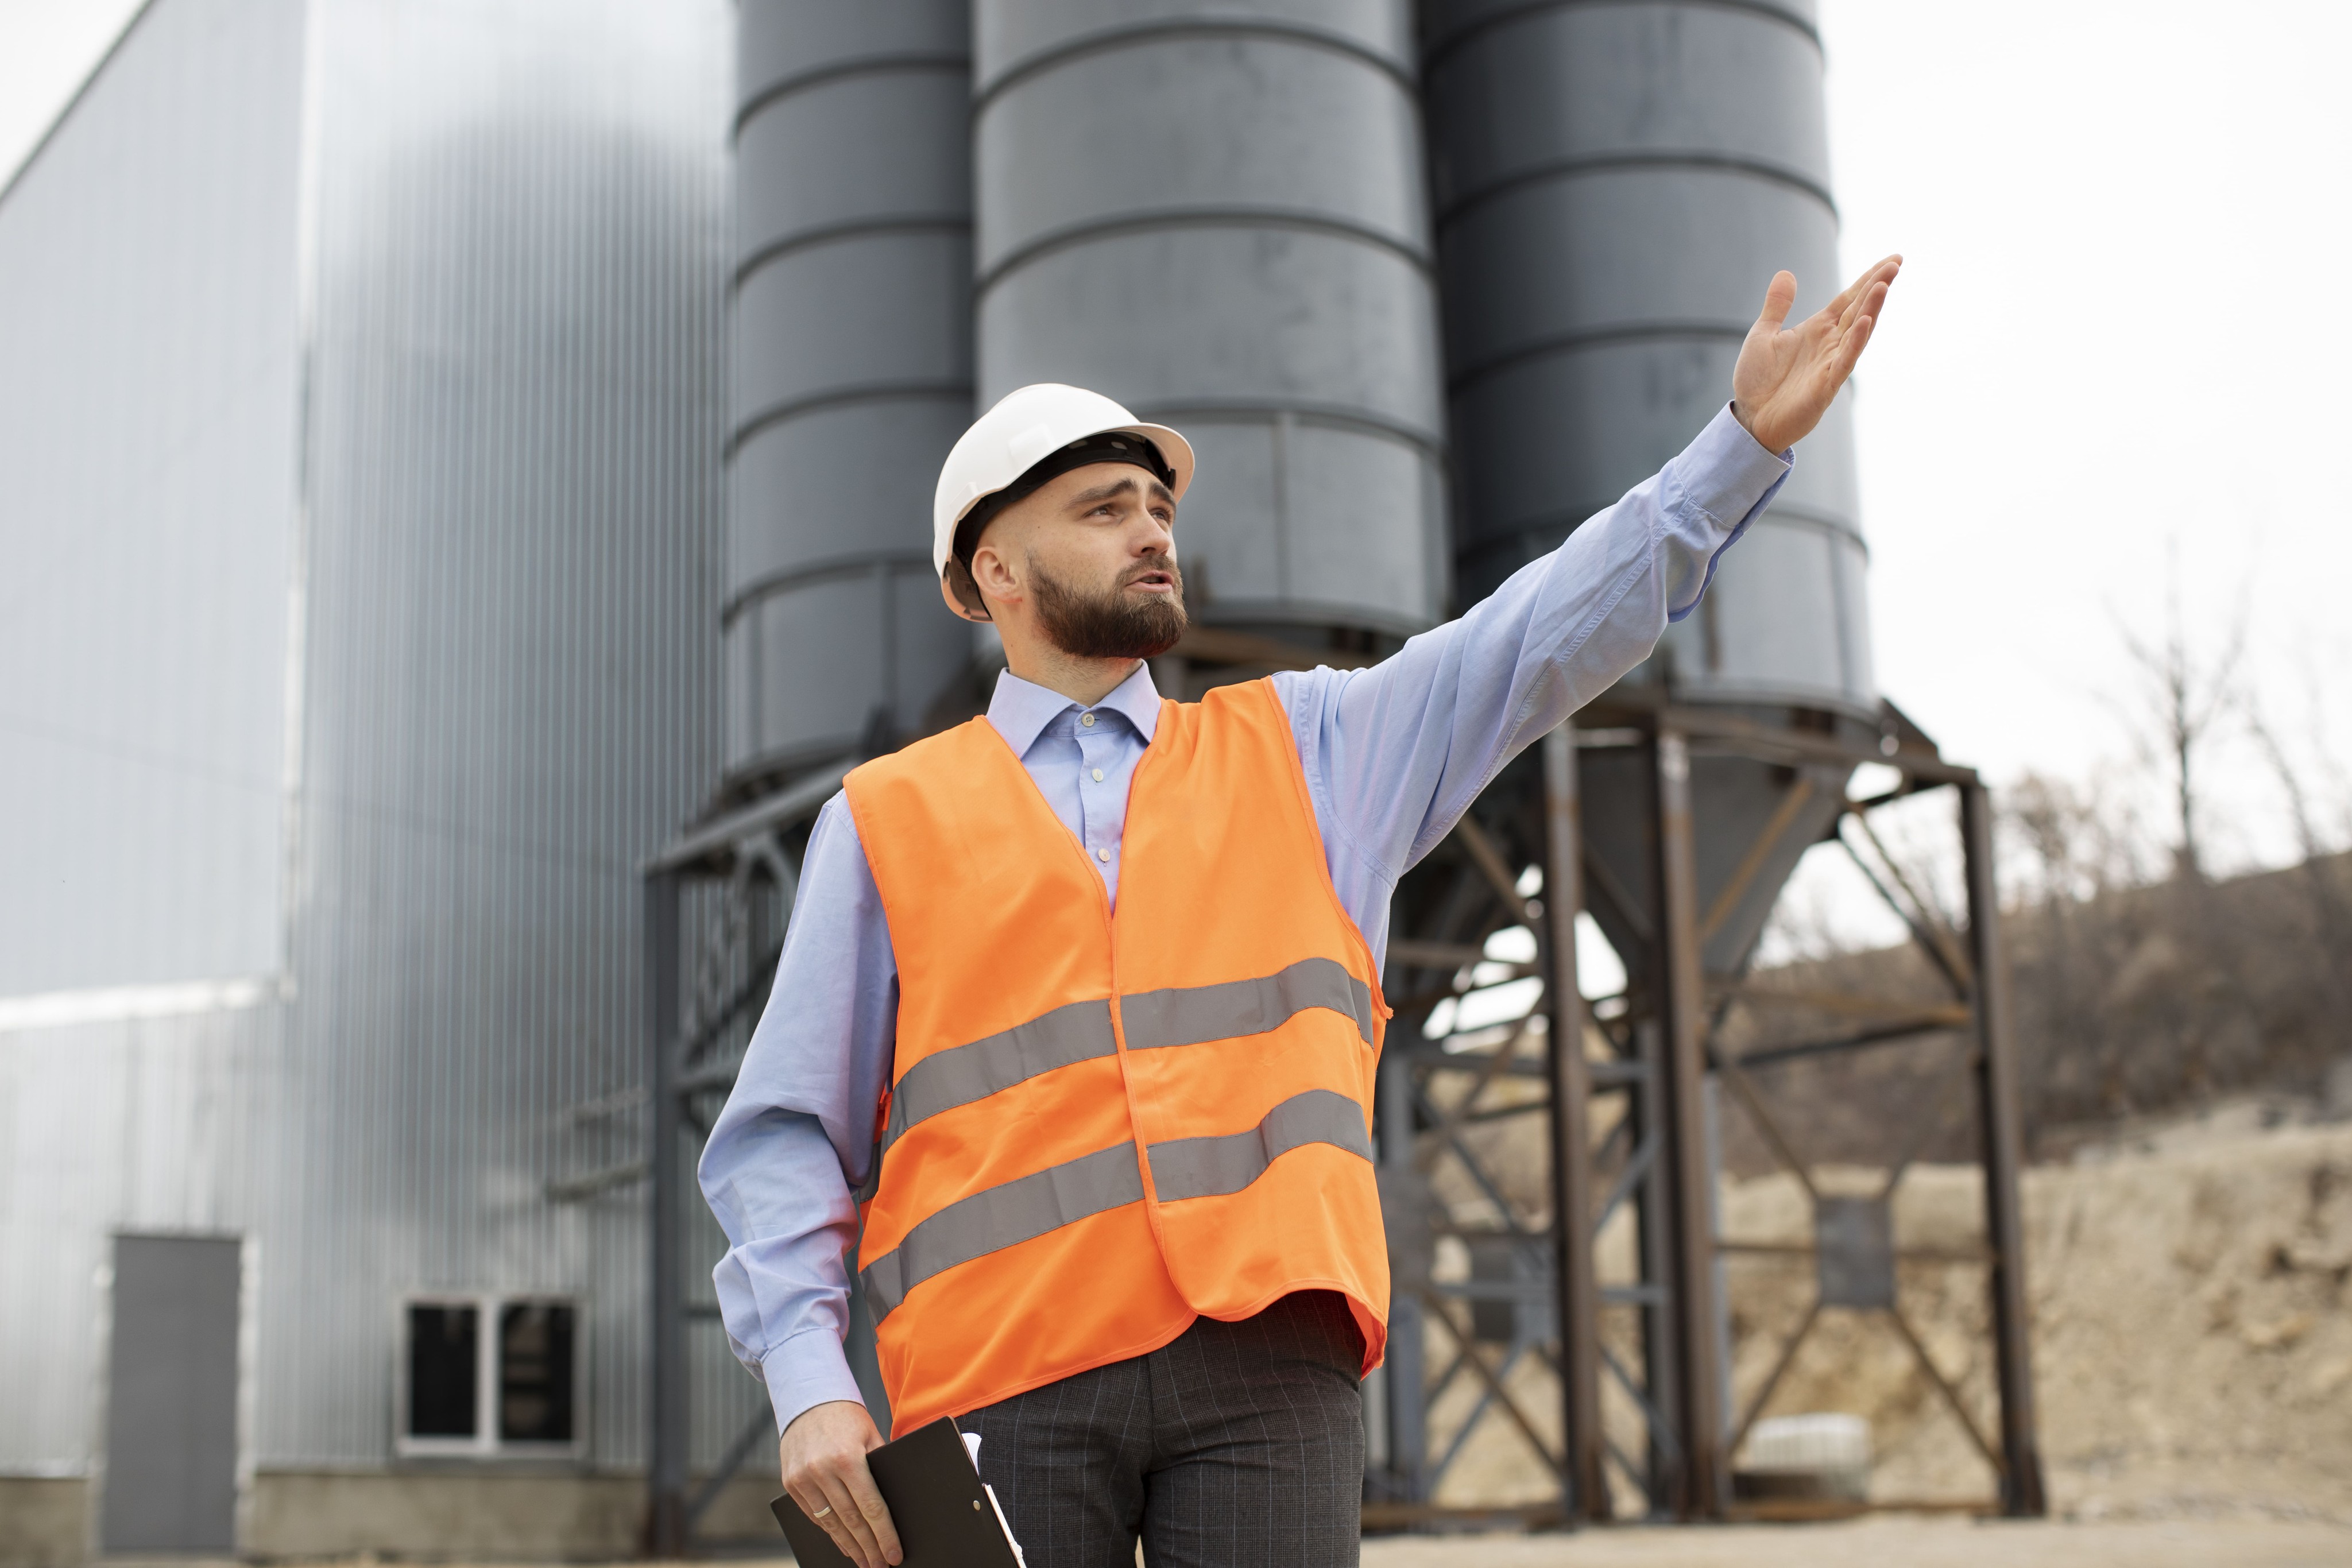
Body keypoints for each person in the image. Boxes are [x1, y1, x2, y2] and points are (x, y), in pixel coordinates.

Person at [699, 256, 1900, 1568]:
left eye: (1155, 506)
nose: (1152, 530)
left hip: (1265, 1368)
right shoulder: (882, 817)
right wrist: (810, 1380)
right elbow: (784, 1135)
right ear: (994, 569)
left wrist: (1732, 455)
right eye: (1104, 510)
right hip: (996, 1381)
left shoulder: (1311, 747)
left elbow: (1536, 633)